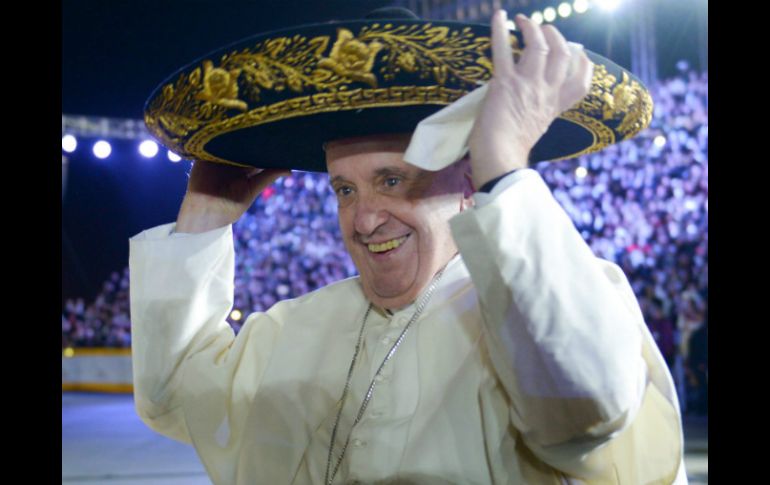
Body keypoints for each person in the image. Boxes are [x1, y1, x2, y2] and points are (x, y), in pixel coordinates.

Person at [131, 8, 686, 484]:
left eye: (393, 180)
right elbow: (178, 398)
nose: (364, 219)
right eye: (344, 190)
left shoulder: (571, 302)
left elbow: (586, 406)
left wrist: (504, 165)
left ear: (468, 183)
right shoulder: (297, 326)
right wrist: (205, 215)